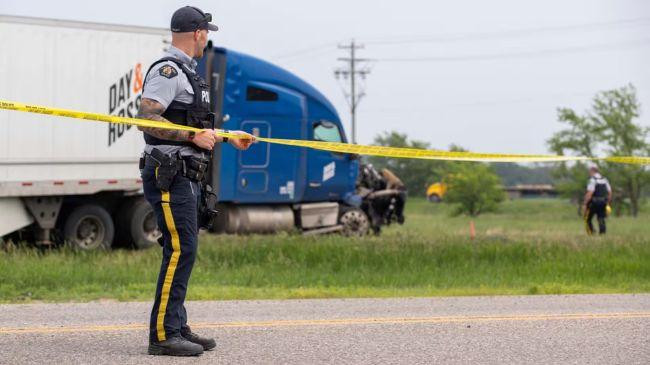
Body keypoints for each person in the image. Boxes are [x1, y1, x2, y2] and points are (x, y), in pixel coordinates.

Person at [136, 6, 254, 356]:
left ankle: (177, 326)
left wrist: (226, 135)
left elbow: (192, 125)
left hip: (184, 175)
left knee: (184, 249)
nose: (208, 39)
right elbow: (146, 118)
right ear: (199, 33)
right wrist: (191, 138)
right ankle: (162, 335)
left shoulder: (188, 72)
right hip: (169, 174)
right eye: (207, 33)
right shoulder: (169, 69)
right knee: (179, 249)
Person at [582, 166, 612, 235]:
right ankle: (602, 234)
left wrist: (585, 203)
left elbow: (590, 192)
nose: (589, 173)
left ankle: (591, 233)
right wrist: (608, 202)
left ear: (592, 171)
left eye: (589, 171)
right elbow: (610, 192)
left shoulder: (592, 180)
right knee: (601, 218)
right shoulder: (605, 179)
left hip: (594, 203)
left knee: (587, 218)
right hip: (603, 202)